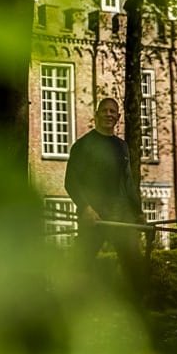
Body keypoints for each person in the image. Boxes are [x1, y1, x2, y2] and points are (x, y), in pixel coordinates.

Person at [64, 98, 147, 296]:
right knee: (81, 266)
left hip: (121, 215)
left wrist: (138, 212)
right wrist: (85, 208)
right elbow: (71, 182)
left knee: (135, 266)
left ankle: (138, 313)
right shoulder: (83, 146)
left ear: (118, 117)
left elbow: (127, 183)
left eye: (113, 112)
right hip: (94, 216)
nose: (109, 114)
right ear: (96, 114)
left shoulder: (122, 147)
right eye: (105, 110)